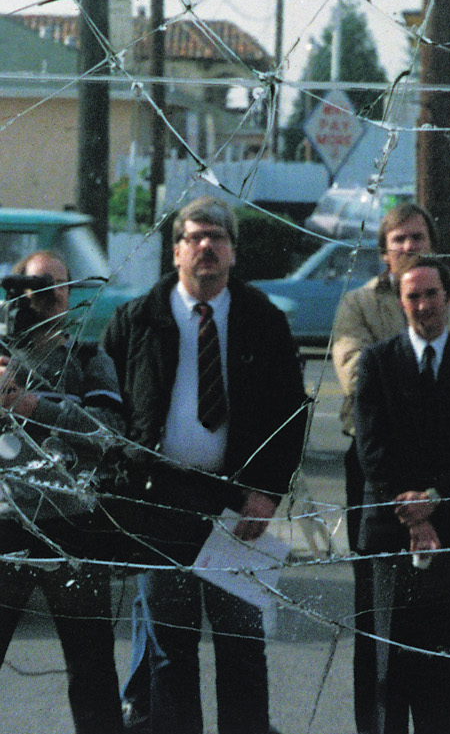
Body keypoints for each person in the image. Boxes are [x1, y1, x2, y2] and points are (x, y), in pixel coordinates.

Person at [104, 196, 308, 734]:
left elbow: (292, 413)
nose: (206, 247)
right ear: (176, 251)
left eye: (217, 237)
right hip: (158, 503)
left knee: (242, 644)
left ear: (233, 252)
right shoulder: (137, 319)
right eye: (194, 237)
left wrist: (267, 491)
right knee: (170, 649)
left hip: (237, 508)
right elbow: (108, 408)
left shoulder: (262, 319)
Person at [331, 200, 450, 734]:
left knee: (444, 664)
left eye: (417, 238)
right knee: (383, 657)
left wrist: (435, 503)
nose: (423, 303)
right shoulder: (360, 315)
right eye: (398, 240)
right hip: (384, 504)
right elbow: (367, 422)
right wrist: (410, 509)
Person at [0, 250, 126, 734]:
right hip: (6, 521)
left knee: (91, 665)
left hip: (72, 525)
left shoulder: (91, 359)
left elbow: (107, 433)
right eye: (35, 284)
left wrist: (32, 405)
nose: (49, 294)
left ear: (71, 293)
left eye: (58, 284)